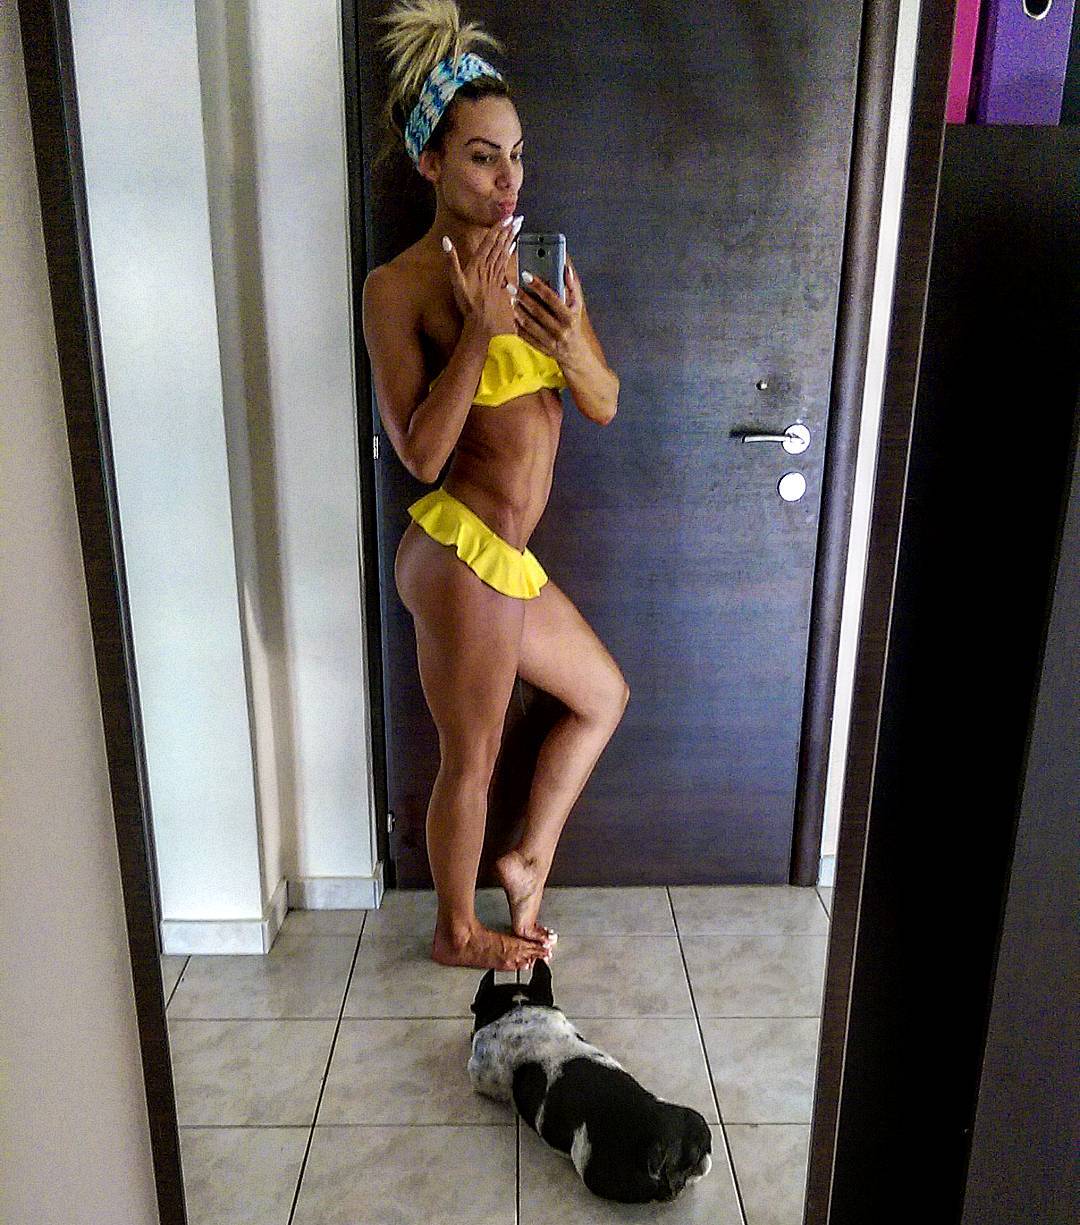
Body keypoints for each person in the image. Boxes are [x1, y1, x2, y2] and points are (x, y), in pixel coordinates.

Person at [363, 0, 627, 971]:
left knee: (601, 695)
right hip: (458, 546)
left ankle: (526, 858)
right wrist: (479, 330)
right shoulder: (398, 288)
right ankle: (455, 930)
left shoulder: (542, 269)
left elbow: (603, 401)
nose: (508, 178)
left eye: (516, 155)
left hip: (507, 557)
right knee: (469, 757)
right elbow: (420, 454)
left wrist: (567, 343)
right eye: (482, 157)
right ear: (432, 163)